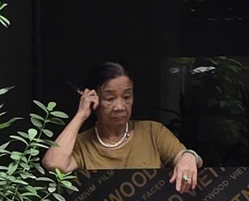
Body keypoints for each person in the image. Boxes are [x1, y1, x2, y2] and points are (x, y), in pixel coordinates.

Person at [44, 61, 202, 190]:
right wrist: (81, 114)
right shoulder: (82, 143)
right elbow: (54, 164)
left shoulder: (153, 132)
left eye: (127, 96)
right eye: (110, 98)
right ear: (94, 98)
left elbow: (186, 157)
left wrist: (188, 157)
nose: (120, 106)